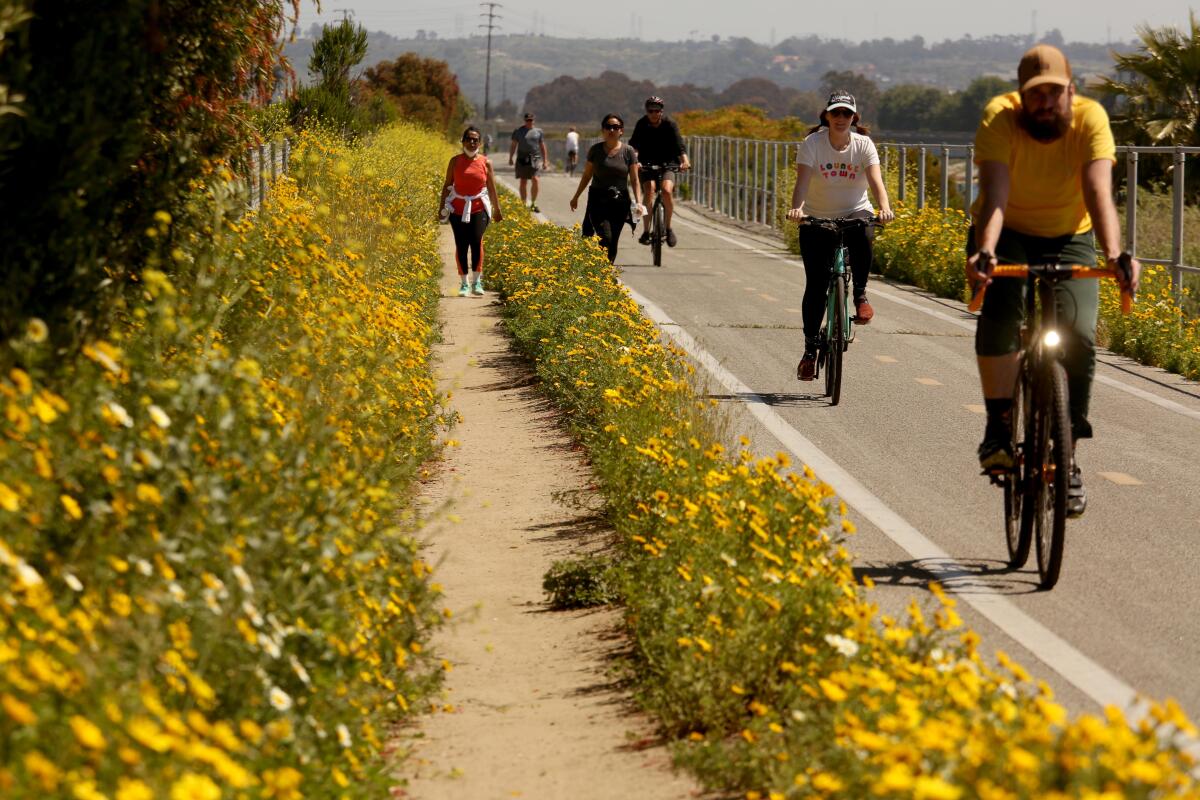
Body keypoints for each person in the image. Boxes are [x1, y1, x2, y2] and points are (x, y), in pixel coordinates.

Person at [965, 44, 1140, 517]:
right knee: (1001, 316)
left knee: (1079, 335)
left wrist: (1116, 254)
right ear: (1021, 97)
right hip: (1007, 232)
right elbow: (995, 196)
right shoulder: (999, 118)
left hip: (1070, 235)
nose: (1045, 104)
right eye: (1034, 95)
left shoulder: (1091, 120)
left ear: (1071, 90)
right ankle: (999, 428)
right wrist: (985, 253)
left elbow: (1099, 191)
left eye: (1054, 93)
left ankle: (1068, 458)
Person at [784, 90, 894, 381]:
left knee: (866, 231)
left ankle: (860, 295)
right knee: (816, 287)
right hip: (817, 217)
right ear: (827, 116)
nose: (841, 118)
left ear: (854, 118)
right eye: (836, 113)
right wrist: (797, 209)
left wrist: (884, 208)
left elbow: (876, 181)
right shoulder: (813, 144)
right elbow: (802, 182)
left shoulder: (864, 144)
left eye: (847, 114)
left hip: (854, 212)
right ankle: (810, 350)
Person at [438, 126, 504, 297]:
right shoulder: (455, 161)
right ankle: (464, 283)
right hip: (457, 209)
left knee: (476, 241)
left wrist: (497, 209)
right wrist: (441, 208)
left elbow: (491, 187)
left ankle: (477, 281)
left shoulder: (485, 162)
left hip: (479, 208)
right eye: (469, 139)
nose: (472, 142)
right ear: (463, 141)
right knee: (461, 244)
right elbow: (447, 185)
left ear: (480, 143)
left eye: (475, 140)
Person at [569, 113, 643, 264]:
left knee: (613, 241)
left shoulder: (628, 152)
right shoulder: (595, 150)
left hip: (620, 202)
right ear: (603, 130)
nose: (611, 130)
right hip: (598, 200)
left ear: (621, 131)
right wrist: (576, 197)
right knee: (605, 237)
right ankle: (600, 270)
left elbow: (635, 179)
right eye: (608, 127)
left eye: (615, 127)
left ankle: (606, 272)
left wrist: (639, 203)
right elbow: (587, 175)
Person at [628, 96, 690, 248]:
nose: (654, 114)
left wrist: (685, 161)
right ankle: (646, 230)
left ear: (662, 112)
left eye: (657, 111)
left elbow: (679, 146)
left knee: (667, 191)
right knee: (649, 190)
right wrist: (636, 160)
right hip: (646, 164)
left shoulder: (670, 124)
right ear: (647, 112)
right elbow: (634, 146)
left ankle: (668, 228)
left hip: (668, 163)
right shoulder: (642, 124)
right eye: (651, 111)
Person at [508, 112, 548, 212]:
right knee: (523, 181)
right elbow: (513, 145)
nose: (529, 122)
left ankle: (533, 203)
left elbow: (542, 146)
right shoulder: (518, 131)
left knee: (535, 179)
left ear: (534, 120)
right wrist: (511, 157)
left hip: (535, 157)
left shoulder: (538, 131)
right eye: (527, 120)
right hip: (522, 157)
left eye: (531, 120)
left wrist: (545, 161)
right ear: (525, 120)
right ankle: (523, 203)